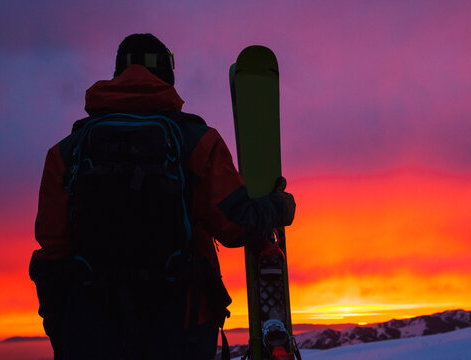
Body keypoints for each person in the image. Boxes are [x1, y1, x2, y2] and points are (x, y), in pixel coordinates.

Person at [29, 33, 295, 360]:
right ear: (168, 74)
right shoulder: (196, 141)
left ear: (118, 73)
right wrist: (277, 207)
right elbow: (236, 223)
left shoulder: (65, 153)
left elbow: (51, 252)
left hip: (91, 329)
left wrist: (62, 328)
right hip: (179, 327)